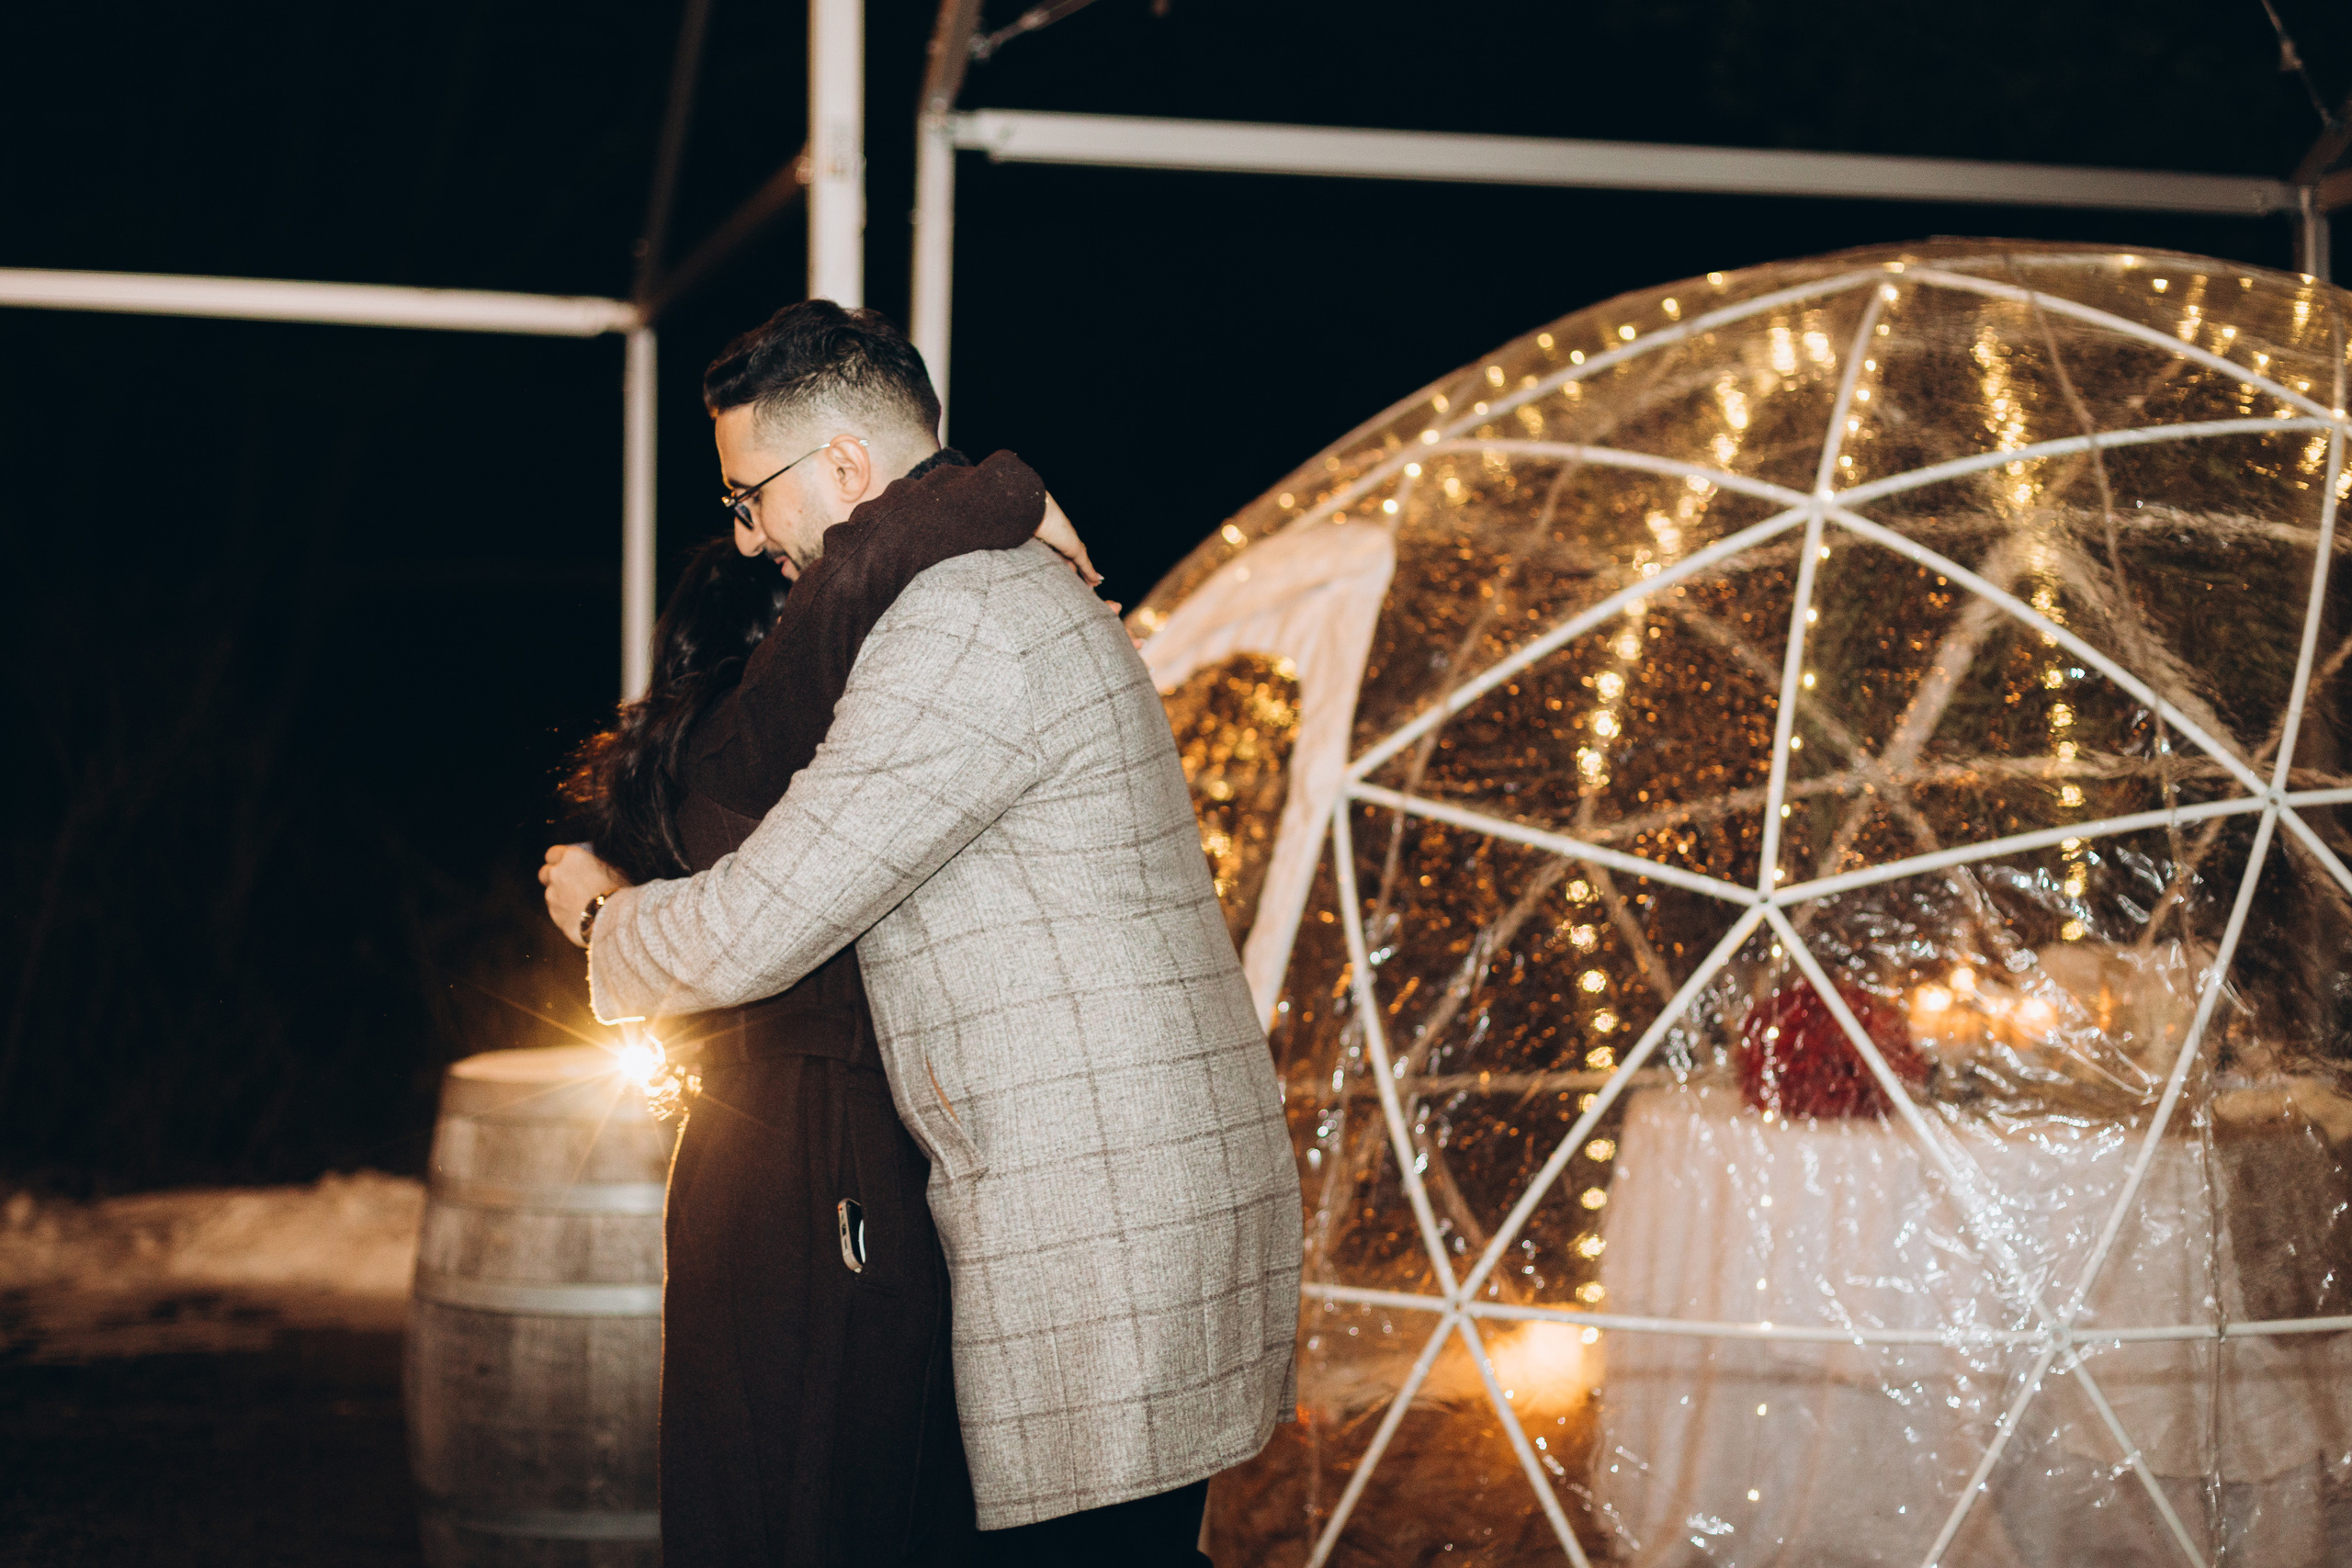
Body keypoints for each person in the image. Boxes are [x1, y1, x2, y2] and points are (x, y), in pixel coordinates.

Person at [544, 299, 1302, 1564]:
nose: (744, 539)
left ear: (844, 466)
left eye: (750, 498)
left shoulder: (963, 626)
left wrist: (606, 925)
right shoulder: (975, 589)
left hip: (1095, 1215)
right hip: (1111, 1193)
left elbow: (759, 923)